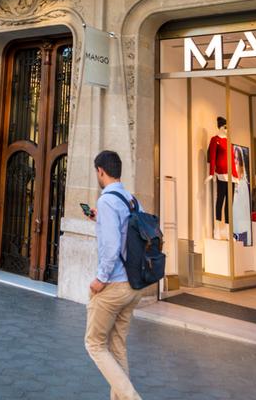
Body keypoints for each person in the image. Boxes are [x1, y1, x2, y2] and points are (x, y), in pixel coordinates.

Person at [84, 150, 144, 400]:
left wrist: (100, 279)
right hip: (134, 284)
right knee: (117, 346)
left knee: (94, 344)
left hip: (115, 285)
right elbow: (127, 233)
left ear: (101, 171)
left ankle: (132, 397)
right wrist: (100, 219)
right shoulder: (131, 200)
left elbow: (110, 248)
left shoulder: (107, 201)